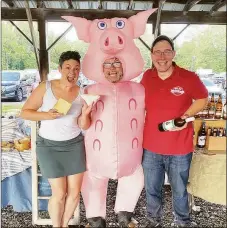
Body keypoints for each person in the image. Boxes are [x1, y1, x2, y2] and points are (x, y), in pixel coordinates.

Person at [141, 35, 208, 227]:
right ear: (152, 55)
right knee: (152, 189)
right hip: (151, 147)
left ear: (173, 54)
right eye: (157, 52)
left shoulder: (188, 77)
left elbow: (203, 99)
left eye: (166, 51)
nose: (162, 57)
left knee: (179, 190)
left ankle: (182, 221)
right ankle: (154, 221)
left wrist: (186, 116)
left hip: (180, 148)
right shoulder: (147, 77)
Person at [20, 51, 92, 227]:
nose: (72, 72)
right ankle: (56, 225)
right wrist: (47, 115)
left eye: (76, 69)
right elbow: (25, 112)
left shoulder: (82, 93)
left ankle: (64, 224)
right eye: (68, 67)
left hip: (74, 145)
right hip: (48, 146)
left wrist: (85, 114)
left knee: (74, 193)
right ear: (60, 69)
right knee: (59, 193)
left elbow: (84, 126)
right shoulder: (46, 87)